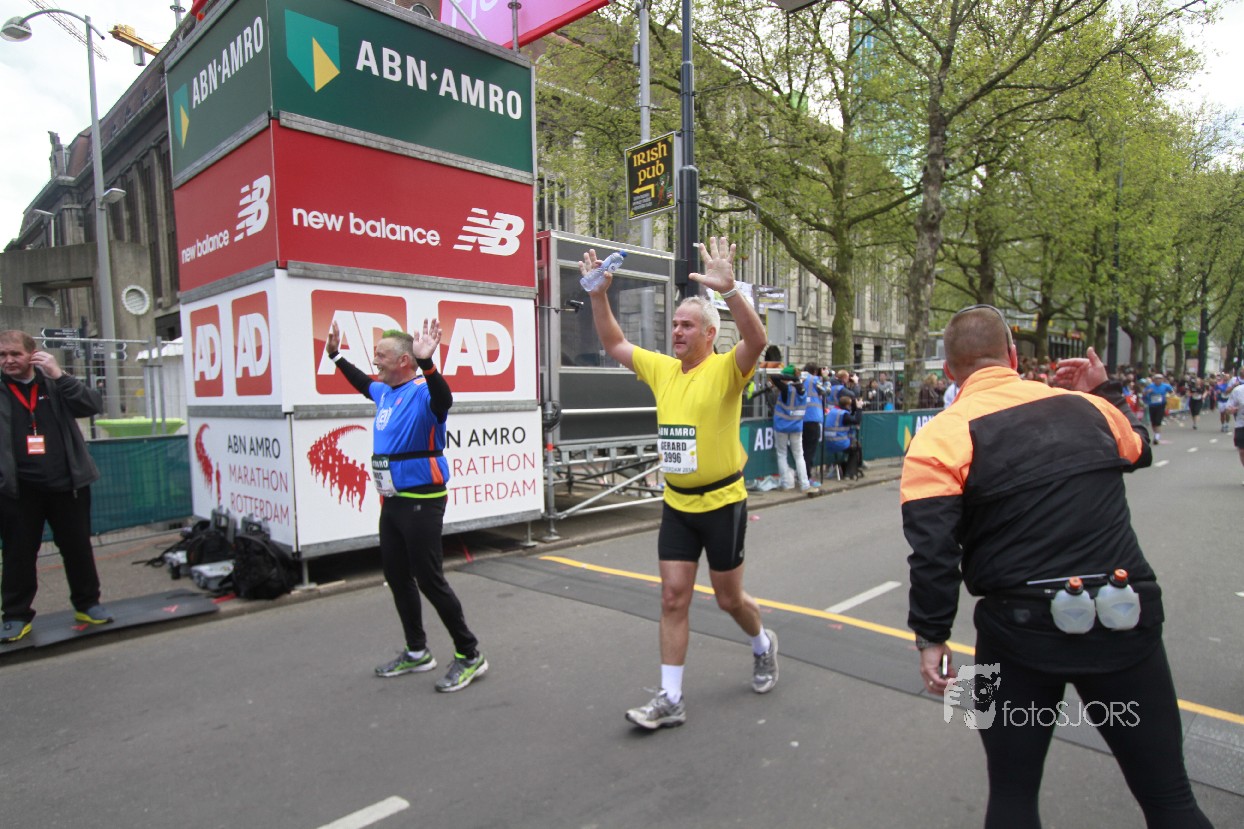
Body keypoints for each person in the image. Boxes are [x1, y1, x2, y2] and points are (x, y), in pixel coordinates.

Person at [900, 305, 1211, 828]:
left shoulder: (938, 437)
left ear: (949, 371)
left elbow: (933, 552)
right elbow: (1139, 450)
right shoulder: (1089, 408)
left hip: (1014, 629)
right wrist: (1104, 389)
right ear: (1013, 356)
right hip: (1124, 614)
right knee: (1170, 797)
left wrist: (931, 637)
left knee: (1012, 795)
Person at [582, 236, 777, 730]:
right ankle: (670, 698)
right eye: (673, 324)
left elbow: (757, 342)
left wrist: (730, 293)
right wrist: (598, 294)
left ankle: (762, 644)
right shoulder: (663, 370)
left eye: (686, 325)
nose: (676, 332)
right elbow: (614, 343)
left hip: (723, 503)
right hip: (677, 505)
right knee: (672, 597)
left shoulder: (727, 370)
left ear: (710, 334)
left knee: (729, 599)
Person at [324, 320, 487, 692]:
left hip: (422, 500)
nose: (375, 360)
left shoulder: (423, 392)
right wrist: (335, 356)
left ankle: (470, 654)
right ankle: (417, 651)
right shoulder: (384, 392)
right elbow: (360, 381)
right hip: (393, 500)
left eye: (381, 355)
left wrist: (428, 363)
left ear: (403, 361)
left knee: (429, 579)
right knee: (397, 576)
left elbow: (444, 400)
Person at [0, 330, 111, 643]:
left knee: (77, 549)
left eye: (15, 354)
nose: (8, 360)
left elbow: (91, 405)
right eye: (2, 355)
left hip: (67, 485)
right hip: (18, 491)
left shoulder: (54, 383)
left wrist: (60, 375)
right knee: (18, 554)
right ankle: (16, 615)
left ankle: (87, 605)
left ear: (32, 354)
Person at [769, 364, 812, 492]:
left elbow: (774, 377)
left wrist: (788, 377)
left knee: (782, 454)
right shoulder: (802, 389)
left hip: (782, 426)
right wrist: (794, 378)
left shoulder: (786, 389)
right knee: (799, 456)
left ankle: (786, 483)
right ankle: (804, 484)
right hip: (796, 426)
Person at [800, 363, 824, 486]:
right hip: (813, 418)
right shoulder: (814, 379)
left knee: (803, 450)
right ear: (815, 371)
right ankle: (807, 477)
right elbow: (826, 391)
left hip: (801, 418)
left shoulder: (801, 379)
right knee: (810, 451)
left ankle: (803, 476)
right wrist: (826, 378)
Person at [1143, 372, 1173, 443]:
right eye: (1157, 379)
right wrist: (1147, 392)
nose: (1158, 380)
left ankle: (1157, 437)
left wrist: (1170, 396)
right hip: (1152, 405)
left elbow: (1171, 392)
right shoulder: (1150, 386)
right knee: (1153, 422)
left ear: (1162, 380)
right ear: (1154, 380)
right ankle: (1156, 434)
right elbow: (1143, 394)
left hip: (1161, 405)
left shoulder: (1165, 386)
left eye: (1160, 379)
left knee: (1158, 421)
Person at [1227, 368, 1244, 485]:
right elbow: (1229, 407)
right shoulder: (1238, 391)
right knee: (1242, 451)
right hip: (1241, 424)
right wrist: (1231, 409)